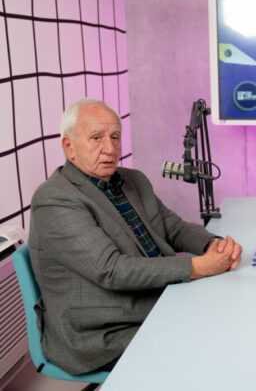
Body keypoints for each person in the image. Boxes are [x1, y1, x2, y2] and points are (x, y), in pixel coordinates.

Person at [28, 98, 242, 375]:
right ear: (69, 147)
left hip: (157, 297)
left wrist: (213, 245)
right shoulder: (54, 199)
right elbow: (112, 270)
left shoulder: (133, 180)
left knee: (232, 314)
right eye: (96, 138)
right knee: (212, 347)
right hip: (103, 332)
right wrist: (200, 267)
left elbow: (174, 228)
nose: (110, 148)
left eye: (115, 137)